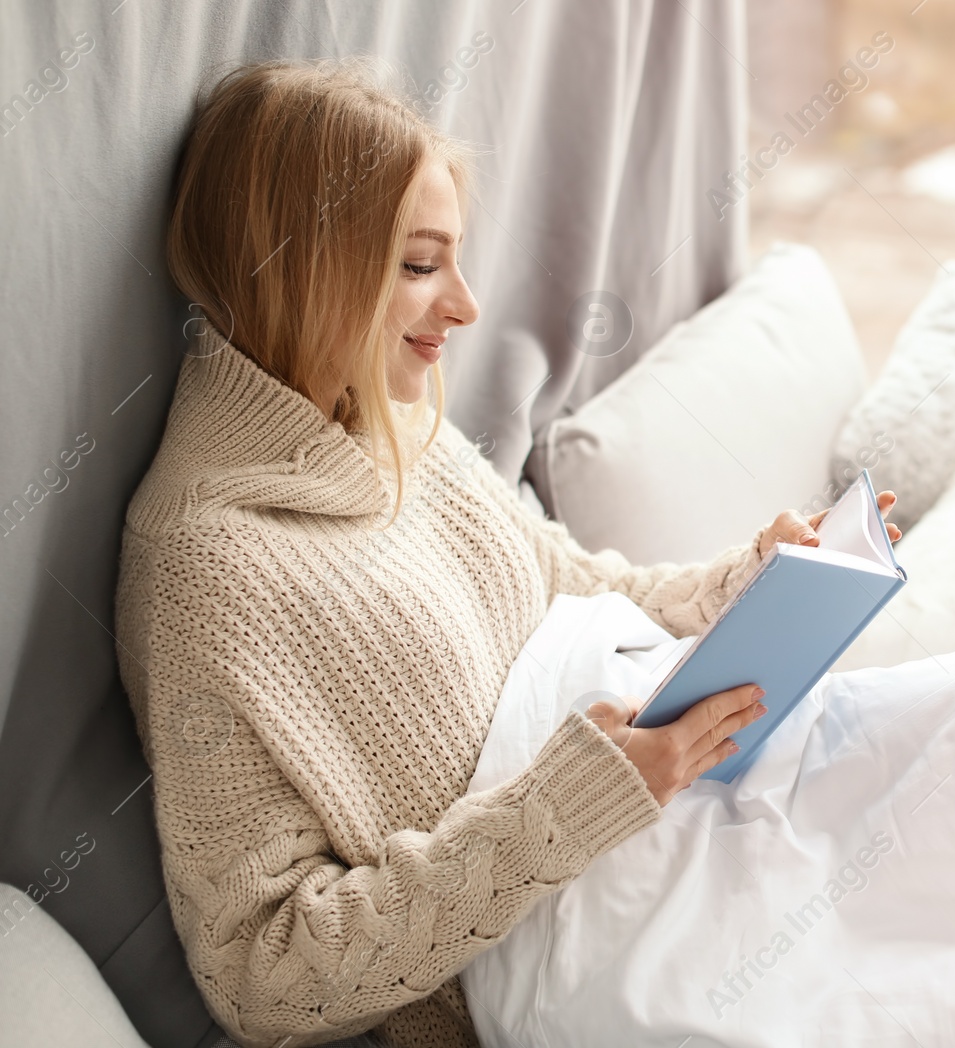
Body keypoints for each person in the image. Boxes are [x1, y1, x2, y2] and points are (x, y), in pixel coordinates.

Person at [114, 58, 898, 1048]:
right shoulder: (202, 565)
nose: (465, 307)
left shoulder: (388, 423)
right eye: (418, 265)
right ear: (300, 262)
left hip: (705, 831)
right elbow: (263, 978)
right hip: (591, 960)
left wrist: (748, 591)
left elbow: (578, 584)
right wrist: (565, 810)